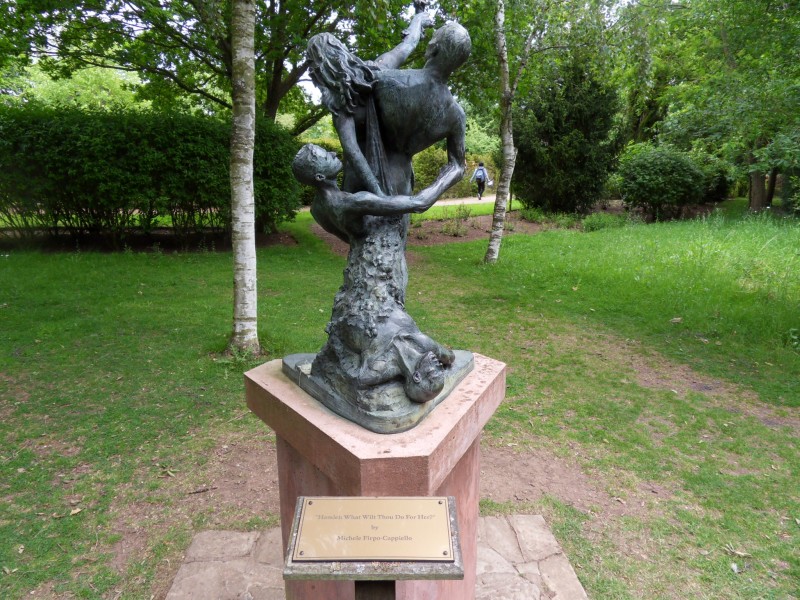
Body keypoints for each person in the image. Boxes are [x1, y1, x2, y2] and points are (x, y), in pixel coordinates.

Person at [292, 144, 457, 402]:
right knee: (390, 305)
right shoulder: (353, 200)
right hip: (384, 263)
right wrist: (449, 174)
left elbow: (350, 237)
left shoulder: (318, 209)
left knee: (374, 311)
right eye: (326, 156)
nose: (334, 154)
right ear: (320, 176)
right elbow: (418, 203)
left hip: (362, 266)